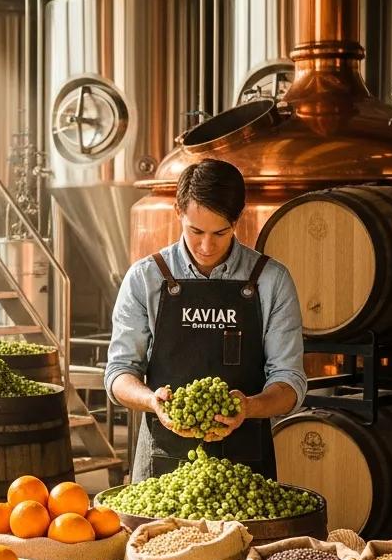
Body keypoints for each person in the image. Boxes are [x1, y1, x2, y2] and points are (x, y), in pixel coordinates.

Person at [105, 158, 306, 481]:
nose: (207, 246)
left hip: (245, 470)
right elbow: (118, 373)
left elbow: (291, 382)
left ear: (236, 220)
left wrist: (249, 407)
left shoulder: (271, 280)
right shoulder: (146, 278)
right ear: (178, 212)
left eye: (220, 232)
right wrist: (152, 401)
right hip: (162, 467)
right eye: (195, 230)